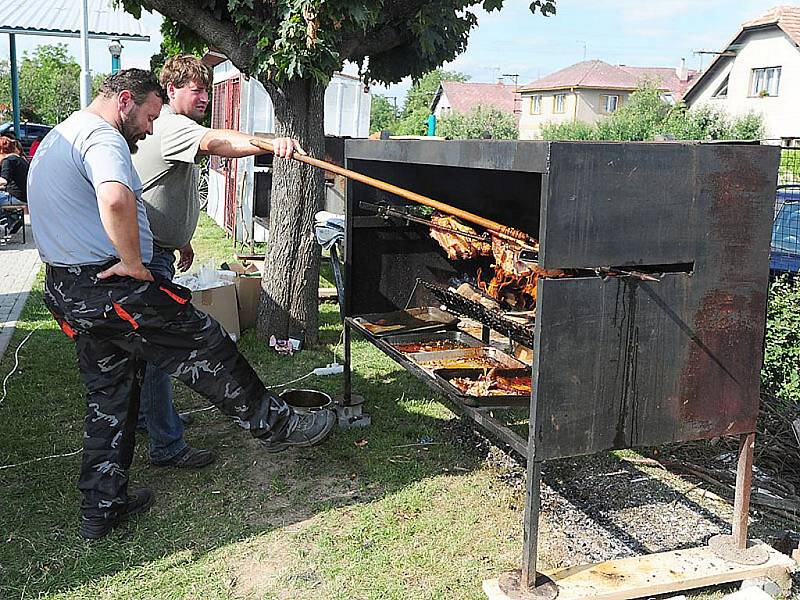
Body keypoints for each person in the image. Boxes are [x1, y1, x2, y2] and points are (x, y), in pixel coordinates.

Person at [27, 69, 335, 540]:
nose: (150, 128)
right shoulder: (101, 136)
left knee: (109, 398)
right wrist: (133, 261)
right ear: (125, 101)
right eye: (150, 116)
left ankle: (101, 510)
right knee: (207, 344)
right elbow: (114, 199)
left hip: (73, 292)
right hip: (113, 289)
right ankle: (279, 425)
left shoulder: (58, 135)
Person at [132, 55, 305, 469]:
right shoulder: (172, 124)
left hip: (157, 249)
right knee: (161, 351)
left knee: (145, 348)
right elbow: (217, 144)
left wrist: (183, 237)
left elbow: (166, 188)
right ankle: (166, 444)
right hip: (146, 255)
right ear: (171, 91)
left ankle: (151, 417)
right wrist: (268, 142)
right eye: (197, 89)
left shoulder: (175, 126)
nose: (205, 97)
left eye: (208, 90)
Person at [0, 134, 28, 234]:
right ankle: (12, 219)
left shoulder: (8, 161)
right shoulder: (20, 159)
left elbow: (3, 180)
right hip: (24, 196)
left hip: (16, 197)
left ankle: (6, 222)